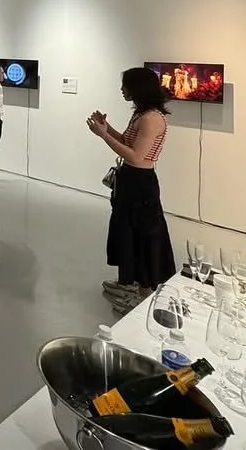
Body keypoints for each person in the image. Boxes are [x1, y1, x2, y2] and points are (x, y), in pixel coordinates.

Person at [87, 67, 175, 312]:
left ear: (138, 88)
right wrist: (107, 128)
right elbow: (128, 142)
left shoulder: (151, 118)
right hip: (129, 180)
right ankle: (129, 281)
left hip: (140, 183)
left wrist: (104, 136)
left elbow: (136, 156)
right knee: (125, 233)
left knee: (141, 235)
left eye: (125, 85)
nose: (122, 90)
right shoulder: (141, 114)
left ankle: (143, 293)